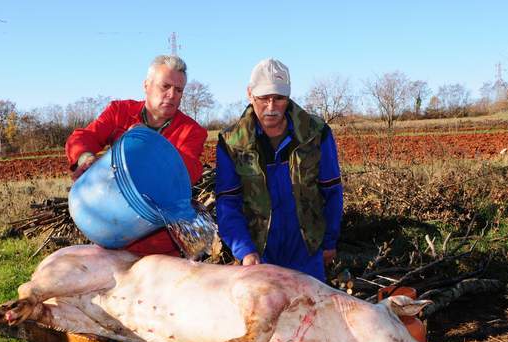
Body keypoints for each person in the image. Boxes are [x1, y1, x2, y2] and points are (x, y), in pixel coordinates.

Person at [65, 54, 208, 257]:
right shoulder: (120, 112)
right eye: (164, 86)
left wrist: (149, 148)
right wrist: (84, 157)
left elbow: (188, 172)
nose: (171, 94)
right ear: (146, 85)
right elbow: (83, 136)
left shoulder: (191, 131)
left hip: (159, 243)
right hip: (109, 227)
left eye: (178, 90)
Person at [215, 58, 343, 282]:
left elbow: (331, 190)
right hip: (259, 253)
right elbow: (228, 202)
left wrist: (329, 241)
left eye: (279, 99)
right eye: (264, 98)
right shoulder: (232, 142)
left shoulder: (316, 133)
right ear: (250, 94)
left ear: (288, 96)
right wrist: (244, 250)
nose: (272, 107)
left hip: (307, 250)